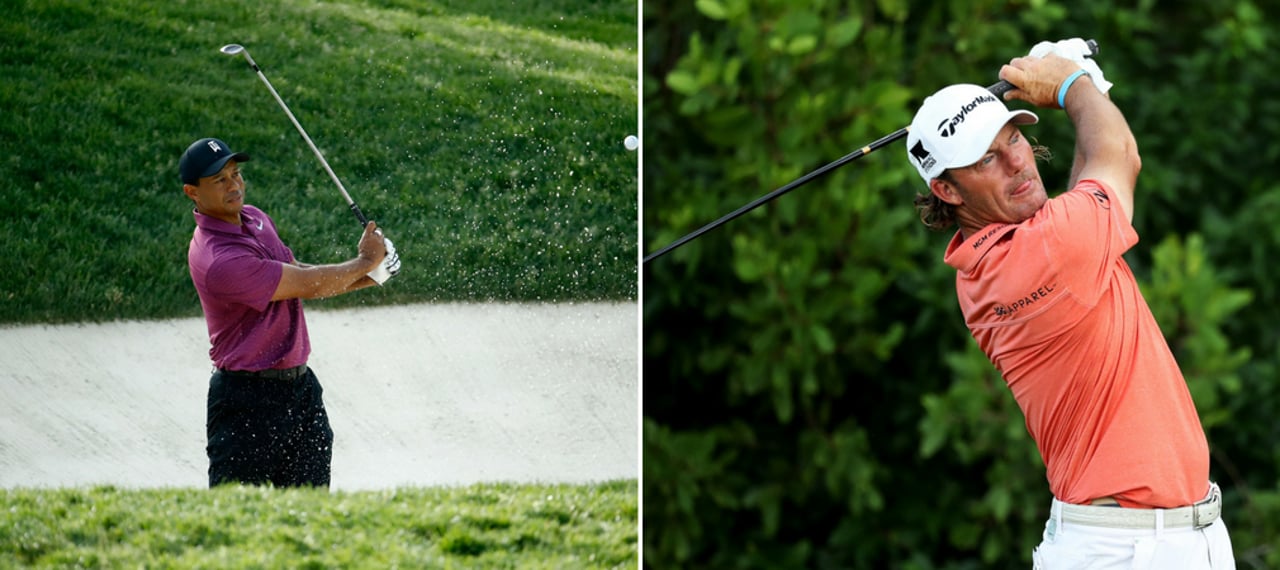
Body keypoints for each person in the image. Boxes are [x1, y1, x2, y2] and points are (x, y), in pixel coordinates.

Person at [904, 40, 1234, 567]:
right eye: (987, 158)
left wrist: (1086, 84)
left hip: (1164, 538)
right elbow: (1118, 156)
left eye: (1014, 137)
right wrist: (1073, 85)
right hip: (1126, 550)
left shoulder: (996, 260)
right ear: (947, 190)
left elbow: (1088, 188)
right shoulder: (1044, 253)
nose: (1017, 162)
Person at [180, 137, 400, 488]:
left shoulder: (255, 218)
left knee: (310, 511)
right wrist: (364, 261)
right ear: (192, 192)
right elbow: (308, 285)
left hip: (300, 392)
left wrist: (371, 275)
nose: (234, 185)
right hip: (245, 404)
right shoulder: (219, 260)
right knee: (239, 515)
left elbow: (298, 275)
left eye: (235, 174)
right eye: (219, 180)